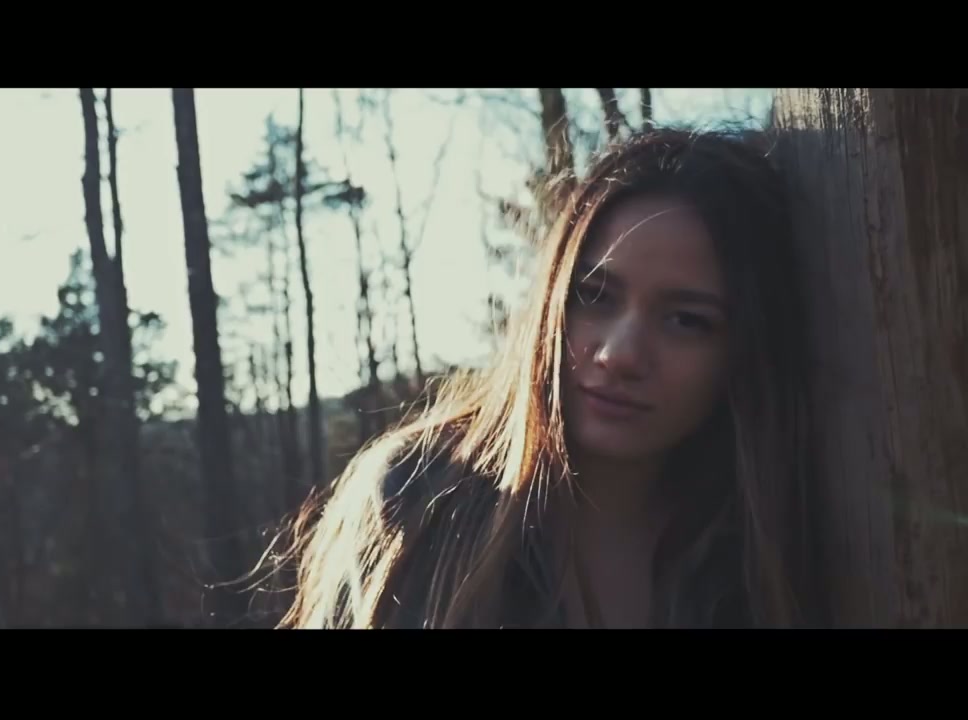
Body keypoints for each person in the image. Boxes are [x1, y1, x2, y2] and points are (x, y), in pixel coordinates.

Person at [272, 125, 818, 629]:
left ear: (745, 349)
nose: (619, 355)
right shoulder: (417, 502)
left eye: (686, 320)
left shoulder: (769, 551)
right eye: (594, 296)